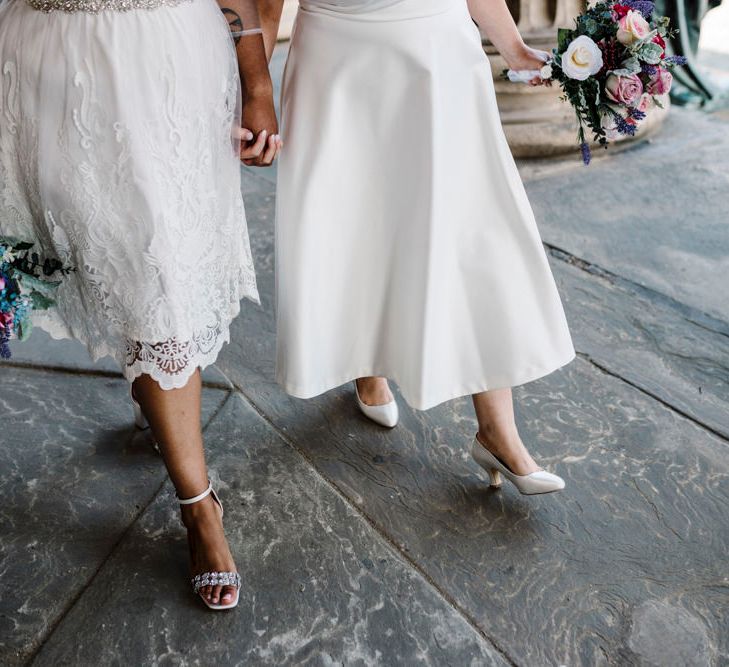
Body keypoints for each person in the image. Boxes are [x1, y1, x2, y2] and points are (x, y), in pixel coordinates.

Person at [0, 0, 279, 610]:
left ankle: (199, 509)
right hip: (44, 55)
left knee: (163, 282)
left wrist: (257, 81)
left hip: (162, 56)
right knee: (110, 262)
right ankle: (160, 414)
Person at [258, 0, 576, 495]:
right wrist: (255, 89)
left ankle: (498, 430)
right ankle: (365, 366)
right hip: (338, 59)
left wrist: (512, 48)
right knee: (354, 221)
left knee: (472, 229)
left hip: (440, 51)